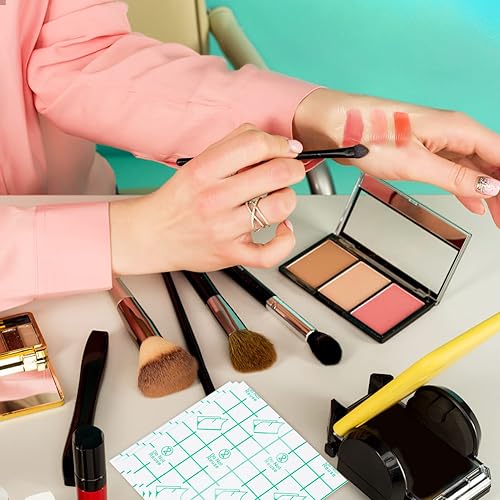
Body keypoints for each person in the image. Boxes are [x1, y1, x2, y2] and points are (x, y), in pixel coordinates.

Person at [1, 0, 499, 312]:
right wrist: (126, 235)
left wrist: (327, 117)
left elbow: (80, 55)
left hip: (87, 226)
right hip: (95, 254)